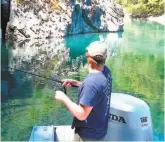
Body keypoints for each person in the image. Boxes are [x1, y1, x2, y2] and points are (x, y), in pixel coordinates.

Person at [55, 41, 112, 141]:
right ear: (104, 58)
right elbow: (98, 89)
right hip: (100, 130)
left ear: (88, 57)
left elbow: (81, 114)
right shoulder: (106, 72)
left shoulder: (91, 83)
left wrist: (63, 98)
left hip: (87, 136)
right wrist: (76, 83)